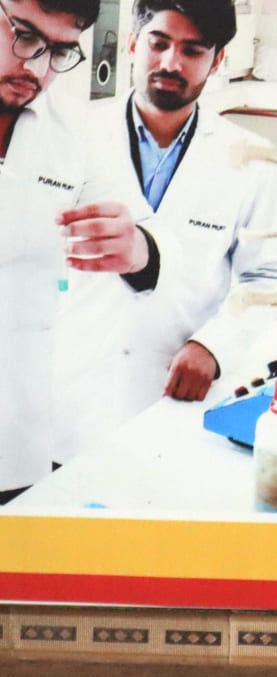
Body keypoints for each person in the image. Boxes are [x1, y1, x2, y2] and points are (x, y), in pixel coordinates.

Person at [49, 0, 277, 467]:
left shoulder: (251, 160)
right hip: (67, 394)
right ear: (133, 43)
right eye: (158, 43)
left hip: (174, 393)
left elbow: (269, 280)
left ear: (217, 61)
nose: (170, 63)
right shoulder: (69, 135)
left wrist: (214, 346)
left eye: (192, 50)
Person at [0, 0, 158, 503]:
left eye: (61, 51)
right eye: (25, 35)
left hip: (17, 429)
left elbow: (147, 239)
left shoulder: (73, 134)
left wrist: (135, 247)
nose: (37, 69)